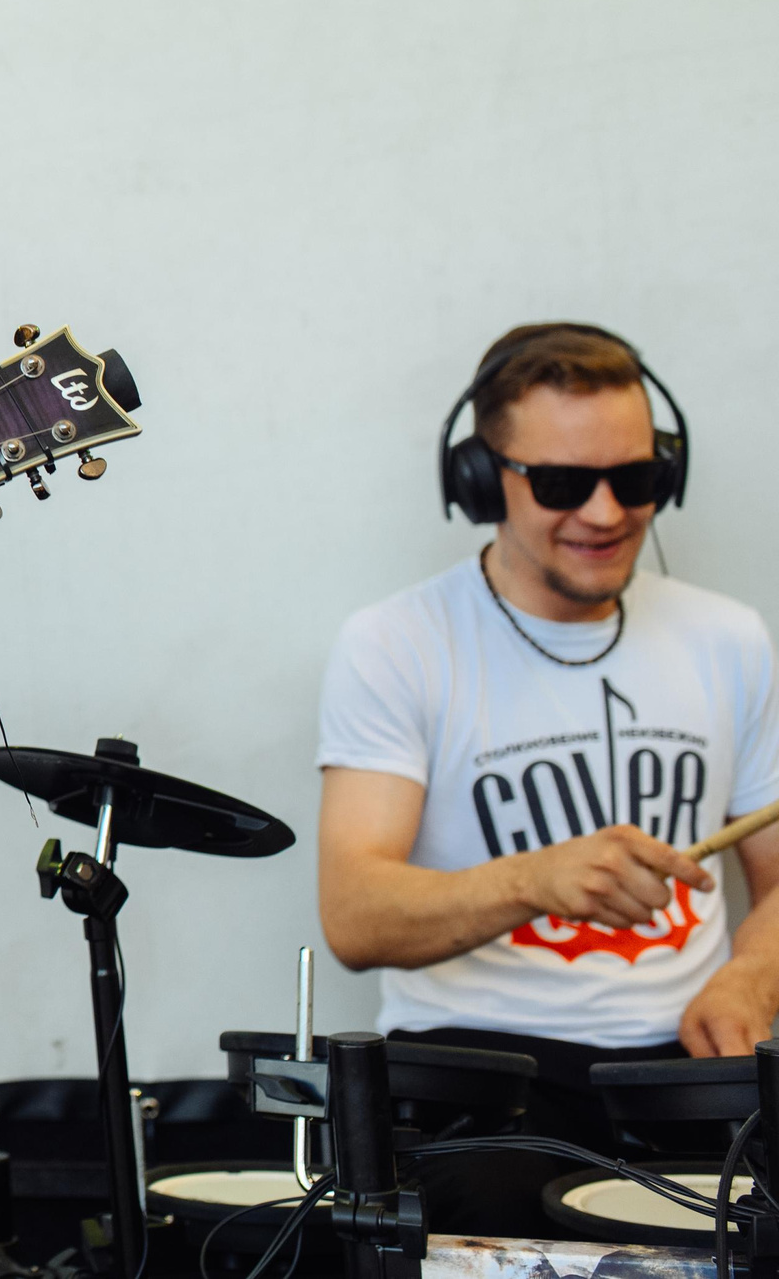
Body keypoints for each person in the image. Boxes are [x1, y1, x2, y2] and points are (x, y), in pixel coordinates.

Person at [316, 321, 779, 1234]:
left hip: (684, 1067)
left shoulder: (729, 638)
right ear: (482, 479)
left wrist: (751, 978)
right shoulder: (398, 644)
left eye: (636, 479)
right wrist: (536, 878)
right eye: (564, 483)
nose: (606, 513)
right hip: (484, 1076)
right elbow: (354, 912)